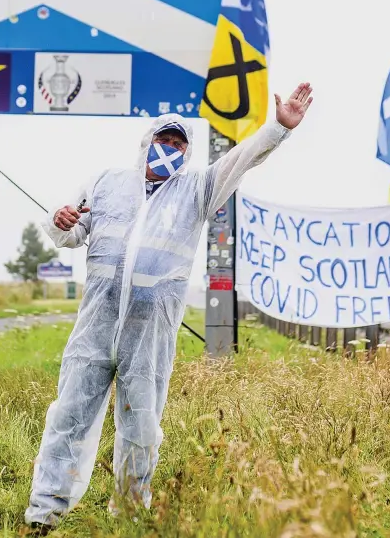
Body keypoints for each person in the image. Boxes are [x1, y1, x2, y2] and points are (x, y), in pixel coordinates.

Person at [25, 82, 313, 533]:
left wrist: (277, 128)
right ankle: (45, 512)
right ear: (148, 143)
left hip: (150, 333)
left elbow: (243, 159)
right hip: (95, 328)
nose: (171, 149)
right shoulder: (106, 183)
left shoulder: (197, 189)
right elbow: (70, 231)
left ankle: (131, 512)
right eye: (165, 140)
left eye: (180, 143)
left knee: (141, 426)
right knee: (68, 417)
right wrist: (57, 219)